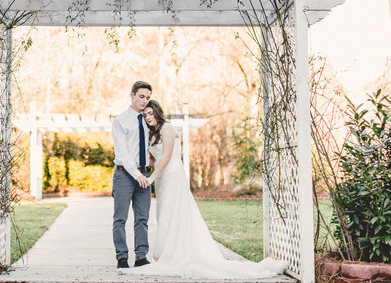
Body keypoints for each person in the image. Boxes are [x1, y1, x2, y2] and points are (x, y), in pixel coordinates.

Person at [121, 100, 288, 279]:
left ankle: (178, 254)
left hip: (173, 176)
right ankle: (169, 251)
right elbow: (157, 157)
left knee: (175, 213)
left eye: (150, 113)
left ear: (157, 112)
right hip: (162, 179)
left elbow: (168, 155)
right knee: (165, 215)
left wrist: (151, 177)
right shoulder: (152, 133)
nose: (148, 117)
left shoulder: (167, 127)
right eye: (145, 115)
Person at [110, 81, 153, 269]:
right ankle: (122, 257)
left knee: (142, 218)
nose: (145, 101)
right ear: (132, 95)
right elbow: (122, 154)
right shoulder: (120, 121)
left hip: (145, 175)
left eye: (148, 98)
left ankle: (141, 257)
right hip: (124, 176)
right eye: (142, 96)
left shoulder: (150, 119)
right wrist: (137, 176)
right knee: (120, 218)